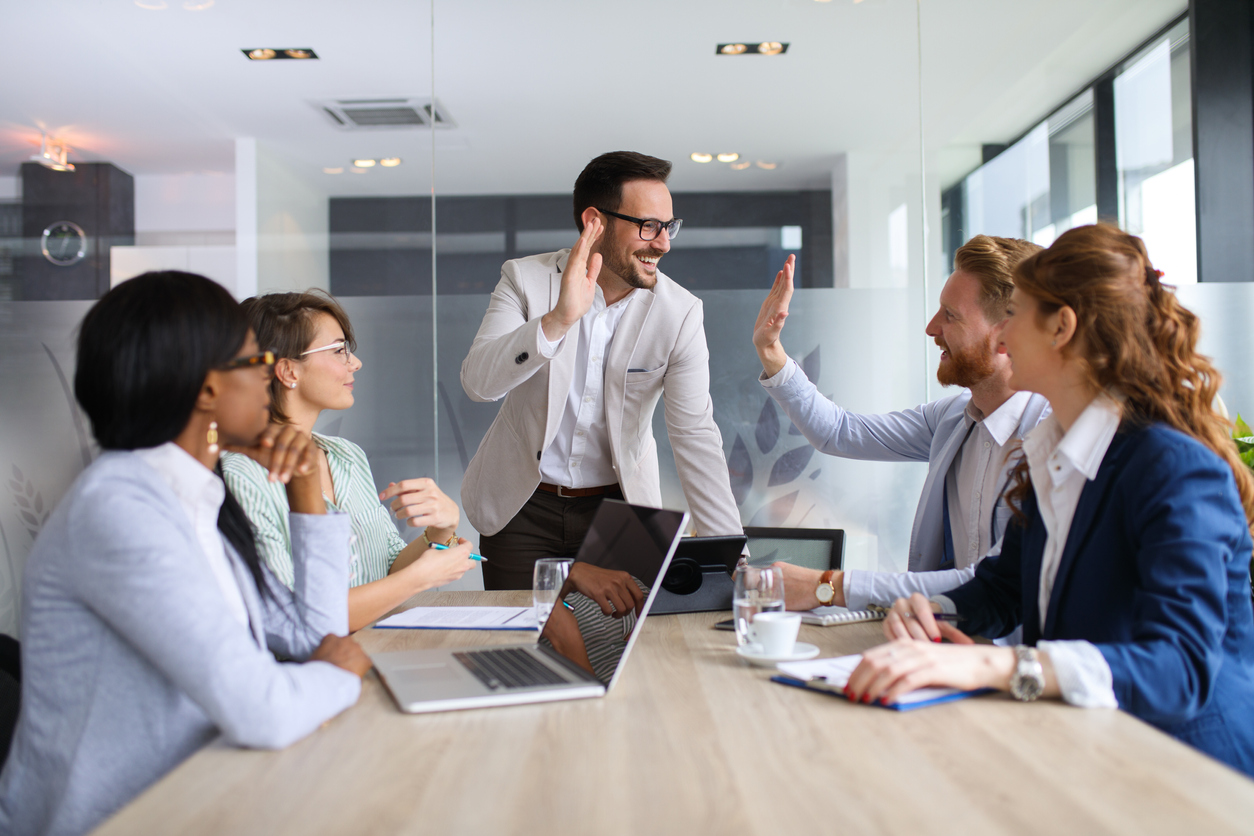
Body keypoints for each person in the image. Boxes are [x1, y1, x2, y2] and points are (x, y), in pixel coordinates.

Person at [846, 225, 1254, 777]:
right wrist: (933, 612)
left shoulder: (1171, 467)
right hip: (1084, 751)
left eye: (1015, 314)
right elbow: (1005, 586)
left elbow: (1179, 669)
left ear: (1061, 328)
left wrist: (1000, 664)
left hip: (1186, 771)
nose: (1001, 335)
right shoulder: (1053, 451)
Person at [0, 272, 372, 836]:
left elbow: (311, 636)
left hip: (201, 794)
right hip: (121, 820)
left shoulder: (196, 502)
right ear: (206, 391)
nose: (268, 377)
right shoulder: (118, 511)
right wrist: (337, 672)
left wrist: (303, 492)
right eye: (254, 362)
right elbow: (265, 706)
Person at [460, 151, 743, 591]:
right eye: (648, 226)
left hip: (620, 508)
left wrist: (732, 558)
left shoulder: (681, 313)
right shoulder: (525, 280)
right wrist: (557, 321)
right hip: (520, 507)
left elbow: (695, 434)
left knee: (615, 647)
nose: (663, 243)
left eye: (668, 227)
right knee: (521, 640)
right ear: (595, 221)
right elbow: (479, 383)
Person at [752, 236, 1049, 612]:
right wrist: (770, 351)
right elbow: (838, 432)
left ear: (1006, 334)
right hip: (935, 641)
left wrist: (827, 586)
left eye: (950, 315)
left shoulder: (1053, 436)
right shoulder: (951, 419)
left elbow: (996, 583)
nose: (931, 327)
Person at [221, 291, 476, 633]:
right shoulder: (240, 477)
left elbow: (386, 568)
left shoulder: (347, 456)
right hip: (319, 668)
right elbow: (297, 617)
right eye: (339, 350)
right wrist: (419, 579)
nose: (354, 363)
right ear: (287, 371)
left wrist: (440, 530)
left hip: (381, 648)